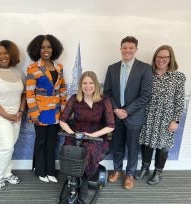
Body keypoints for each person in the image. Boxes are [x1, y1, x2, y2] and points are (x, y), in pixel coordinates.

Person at [103, 36, 152, 189]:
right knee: (117, 145)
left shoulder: (144, 68)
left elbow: (146, 95)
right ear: (120, 48)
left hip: (134, 116)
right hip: (116, 115)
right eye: (125, 47)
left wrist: (127, 111)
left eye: (131, 48)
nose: (127, 50)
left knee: (132, 147)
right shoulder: (112, 68)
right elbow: (107, 92)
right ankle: (117, 171)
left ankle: (130, 174)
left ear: (136, 49)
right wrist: (116, 109)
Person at [137, 45, 186, 185]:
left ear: (171, 58)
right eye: (159, 56)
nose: (162, 59)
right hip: (148, 115)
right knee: (146, 143)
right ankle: (145, 168)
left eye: (165, 57)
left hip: (167, 118)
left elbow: (179, 100)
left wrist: (175, 120)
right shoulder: (148, 74)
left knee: (163, 146)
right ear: (155, 58)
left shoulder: (178, 77)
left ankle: (158, 172)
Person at [0, 40, 26, 190]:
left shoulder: (18, 72)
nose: (3, 56)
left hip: (16, 116)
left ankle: (7, 173)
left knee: (10, 146)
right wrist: (7, 116)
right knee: (6, 146)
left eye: (5, 53)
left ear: (11, 53)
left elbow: (24, 94)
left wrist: (20, 111)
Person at [26, 34, 67, 183]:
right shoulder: (33, 68)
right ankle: (40, 171)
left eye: (49, 46)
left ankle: (50, 171)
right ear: (37, 49)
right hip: (41, 112)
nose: (46, 49)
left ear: (54, 48)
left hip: (55, 112)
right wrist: (34, 112)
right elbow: (29, 92)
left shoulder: (59, 67)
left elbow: (62, 89)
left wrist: (64, 111)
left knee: (52, 143)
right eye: (43, 47)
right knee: (41, 142)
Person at [60, 71, 115, 179]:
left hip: (96, 137)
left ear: (96, 85)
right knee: (71, 150)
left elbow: (111, 125)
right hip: (76, 135)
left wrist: (92, 135)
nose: (88, 86)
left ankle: (85, 180)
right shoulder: (75, 99)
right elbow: (63, 120)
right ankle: (73, 178)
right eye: (84, 83)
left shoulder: (104, 100)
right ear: (80, 85)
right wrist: (72, 133)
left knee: (88, 150)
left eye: (91, 83)